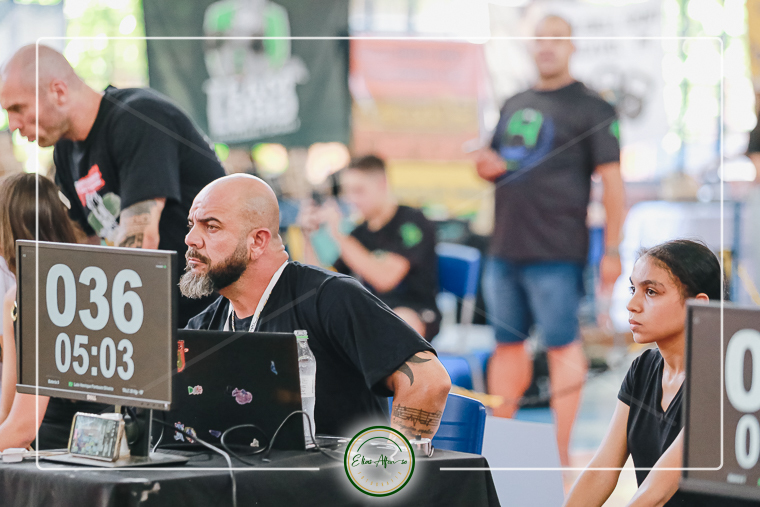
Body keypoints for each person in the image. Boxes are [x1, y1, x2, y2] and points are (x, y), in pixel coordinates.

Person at [183, 174, 451, 438]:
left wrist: (394, 459)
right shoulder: (203, 326)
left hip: (337, 469)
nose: (191, 239)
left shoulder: (331, 298)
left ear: (257, 241)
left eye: (211, 227)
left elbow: (428, 381)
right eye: (191, 225)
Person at [475, 14, 626, 465]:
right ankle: (499, 449)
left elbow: (613, 185)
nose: (547, 46)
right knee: (506, 345)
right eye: (540, 38)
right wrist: (484, 166)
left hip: (557, 250)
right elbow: (496, 160)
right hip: (505, 247)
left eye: (556, 38)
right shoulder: (514, 101)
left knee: (563, 346)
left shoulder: (593, 107)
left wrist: (613, 250)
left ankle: (560, 455)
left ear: (571, 45)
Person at [0, 45, 226, 327]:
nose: (13, 125)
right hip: (155, 310)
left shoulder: (137, 117)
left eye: (18, 108)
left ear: (58, 91)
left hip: (211, 312)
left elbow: (141, 245)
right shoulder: (65, 151)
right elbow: (86, 241)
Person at [564, 239, 722, 507]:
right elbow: (600, 473)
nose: (632, 304)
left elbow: (656, 493)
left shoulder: (721, 380)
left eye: (651, 292)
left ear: (699, 305)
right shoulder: (643, 368)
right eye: (633, 289)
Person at [0, 173, 109, 451]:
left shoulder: (50, 297)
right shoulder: (16, 298)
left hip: (68, 455)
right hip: (39, 453)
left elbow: (21, 429)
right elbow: (7, 413)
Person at [299, 155, 441, 340]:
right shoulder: (358, 233)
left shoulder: (412, 222)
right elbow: (320, 285)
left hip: (413, 311)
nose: (351, 199)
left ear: (382, 185)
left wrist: (337, 234)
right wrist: (308, 236)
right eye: (347, 192)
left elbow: (384, 279)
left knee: (398, 322)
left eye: (359, 191)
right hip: (367, 313)